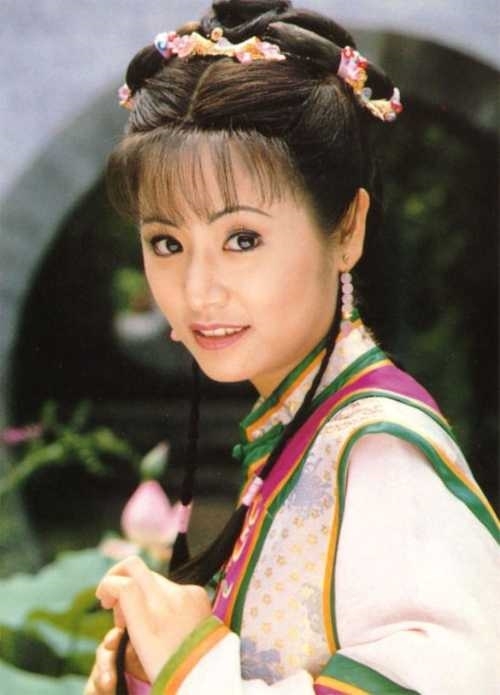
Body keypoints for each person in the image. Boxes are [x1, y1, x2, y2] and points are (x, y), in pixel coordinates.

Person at [85, 1, 499, 693]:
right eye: (167, 242)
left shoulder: (377, 449)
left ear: (347, 229)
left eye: (242, 238)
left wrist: (192, 663)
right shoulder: (303, 425)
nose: (198, 289)